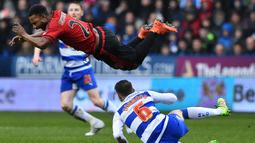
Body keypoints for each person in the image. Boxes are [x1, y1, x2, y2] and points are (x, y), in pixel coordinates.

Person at [32, 2, 117, 136]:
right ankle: (94, 122)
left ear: (82, 13)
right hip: (68, 71)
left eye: (77, 10)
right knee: (66, 105)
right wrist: (36, 55)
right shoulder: (59, 25)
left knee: (96, 101)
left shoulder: (86, 29)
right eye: (71, 9)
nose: (74, 12)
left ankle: (124, 117)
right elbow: (42, 37)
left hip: (83, 70)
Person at [10, 4, 177, 71]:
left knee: (131, 62)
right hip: (102, 34)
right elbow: (47, 33)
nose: (33, 25)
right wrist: (28, 37)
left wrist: (25, 34)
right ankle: (141, 35)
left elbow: (44, 43)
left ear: (43, 16)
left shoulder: (54, 25)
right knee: (123, 58)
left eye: (34, 21)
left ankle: (155, 29)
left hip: (102, 45)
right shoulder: (56, 16)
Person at [112, 80, 230, 143]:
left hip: (152, 140)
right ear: (133, 88)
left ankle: (220, 111)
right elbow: (172, 98)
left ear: (119, 95)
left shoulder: (118, 113)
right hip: (168, 126)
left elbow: (117, 135)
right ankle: (220, 111)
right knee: (177, 112)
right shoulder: (144, 94)